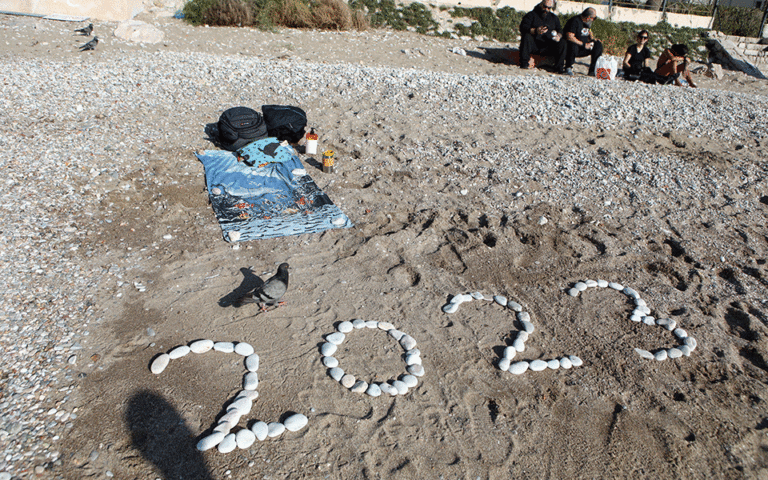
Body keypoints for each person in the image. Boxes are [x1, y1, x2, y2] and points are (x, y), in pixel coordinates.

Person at [518, 0, 566, 73]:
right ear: (541, 5)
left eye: (549, 8)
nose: (546, 9)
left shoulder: (554, 18)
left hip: (548, 45)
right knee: (526, 36)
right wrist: (535, 31)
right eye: (545, 7)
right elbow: (523, 28)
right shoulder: (531, 15)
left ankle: (559, 68)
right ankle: (524, 63)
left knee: (563, 42)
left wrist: (558, 36)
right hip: (534, 44)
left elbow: (560, 30)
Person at [562, 8, 603, 76]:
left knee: (598, 45)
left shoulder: (587, 23)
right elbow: (569, 36)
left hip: (584, 47)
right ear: (588, 18)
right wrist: (583, 44)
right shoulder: (575, 21)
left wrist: (593, 40)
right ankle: (568, 67)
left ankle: (593, 70)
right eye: (594, 18)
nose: (593, 20)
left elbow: (588, 33)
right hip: (574, 47)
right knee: (573, 44)